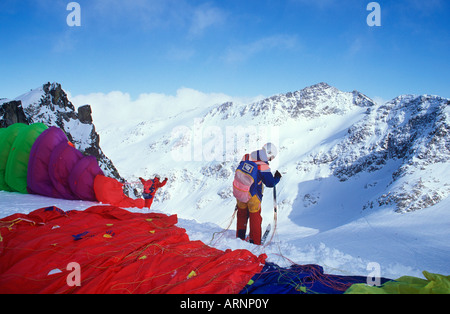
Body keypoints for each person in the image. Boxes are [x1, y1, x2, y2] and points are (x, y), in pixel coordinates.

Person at [232, 143, 281, 245]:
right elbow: (270, 183)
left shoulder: (246, 157)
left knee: (241, 215)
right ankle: (255, 241)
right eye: (271, 158)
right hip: (253, 196)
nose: (270, 160)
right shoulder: (263, 166)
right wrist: (277, 178)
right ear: (269, 154)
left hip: (241, 192)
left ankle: (240, 237)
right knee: (255, 217)